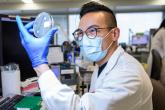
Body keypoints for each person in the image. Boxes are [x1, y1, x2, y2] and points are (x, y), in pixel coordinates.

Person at [16, 1, 153, 110]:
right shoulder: (101, 65)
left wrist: (40, 63)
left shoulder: (127, 74)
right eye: (81, 33)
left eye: (92, 30)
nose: (84, 39)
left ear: (114, 34)